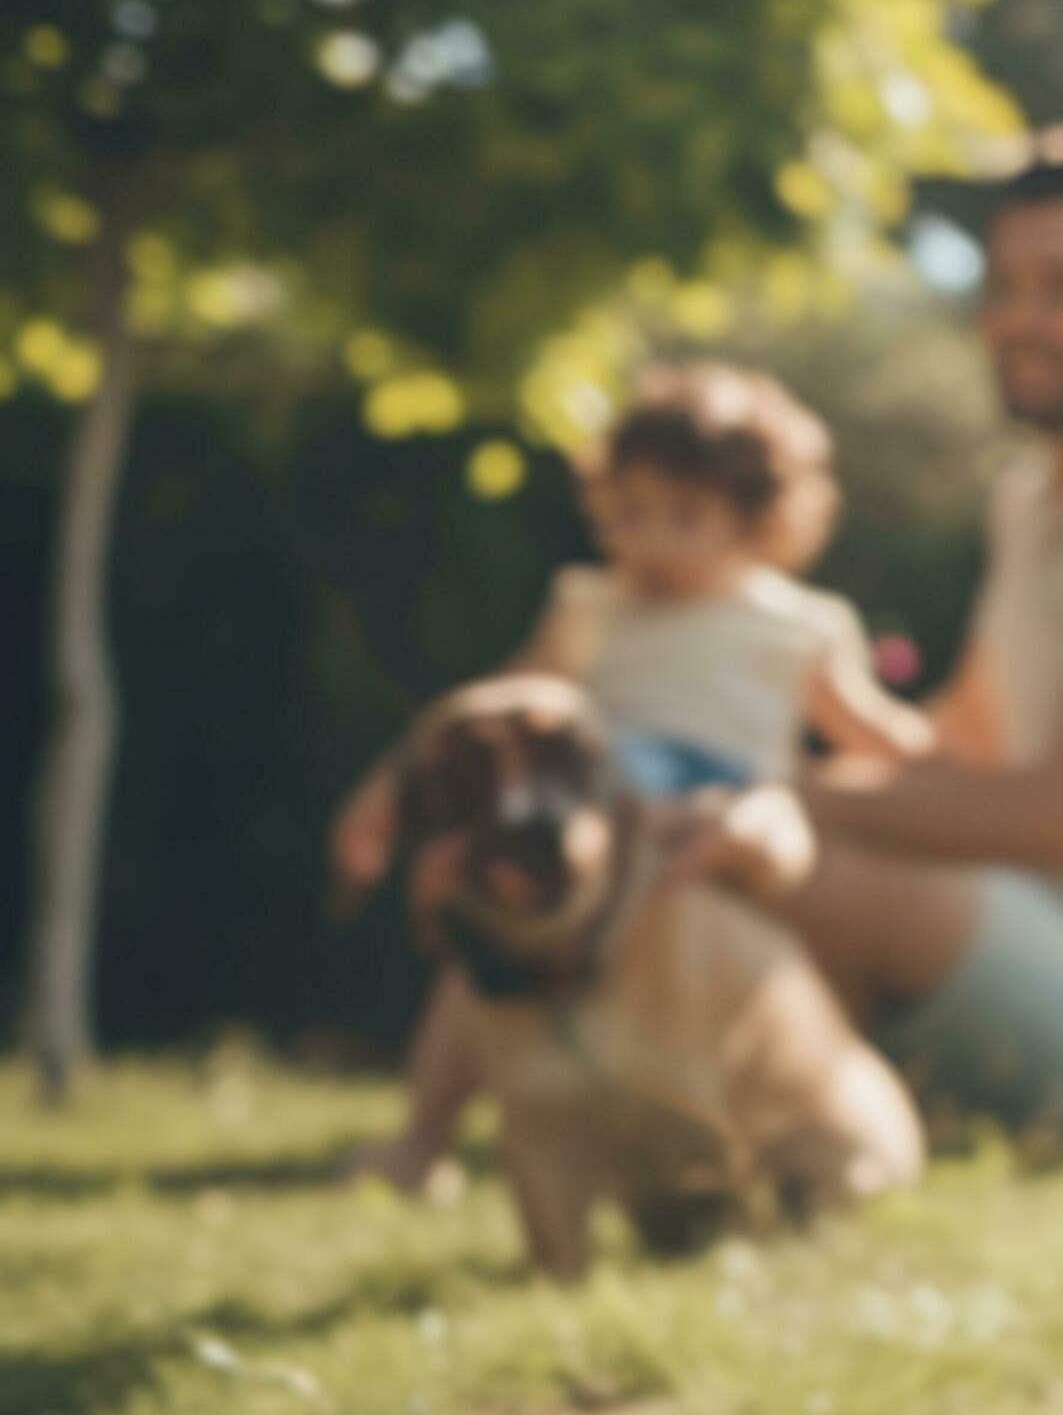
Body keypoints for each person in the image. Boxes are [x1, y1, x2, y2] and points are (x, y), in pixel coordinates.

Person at [675, 122, 1063, 1142]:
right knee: (748, 833)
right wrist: (753, 747)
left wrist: (794, 801)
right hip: (1015, 929)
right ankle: (739, 1120)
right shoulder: (1035, 501)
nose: (1015, 319)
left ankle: (790, 1137)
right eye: (1001, 285)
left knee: (795, 856)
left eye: (1060, 288)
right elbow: (961, 747)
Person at [333, 363, 932, 1188]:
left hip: (722, 830)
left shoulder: (798, 625)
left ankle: (754, 1148)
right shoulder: (592, 607)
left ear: (757, 517)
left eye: (684, 518)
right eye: (630, 515)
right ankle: (423, 1138)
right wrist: (386, 791)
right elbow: (497, 707)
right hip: (592, 827)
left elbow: (864, 731)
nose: (651, 542)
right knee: (480, 966)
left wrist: (948, 758)